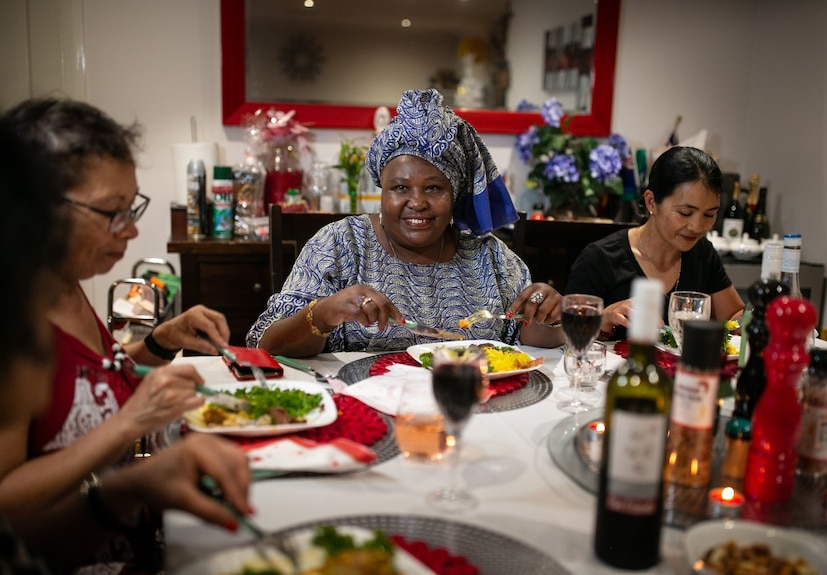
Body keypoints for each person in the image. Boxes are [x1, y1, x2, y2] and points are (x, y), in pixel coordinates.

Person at [0, 111, 251, 573]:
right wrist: (129, 425)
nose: (131, 230)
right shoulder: (13, 322)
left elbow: (92, 379)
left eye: (131, 208)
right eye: (112, 211)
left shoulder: (65, 283)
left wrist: (159, 342)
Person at [248, 89, 565, 357]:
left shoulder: (490, 256)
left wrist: (548, 317)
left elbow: (530, 342)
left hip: (472, 408)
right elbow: (264, 344)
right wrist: (325, 313)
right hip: (362, 410)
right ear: (382, 191)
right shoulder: (340, 244)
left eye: (434, 188)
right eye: (400, 188)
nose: (417, 202)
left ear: (454, 193)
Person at [566, 146, 744, 340]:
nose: (697, 226)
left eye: (709, 214)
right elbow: (568, 337)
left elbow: (734, 317)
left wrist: (755, 318)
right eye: (685, 213)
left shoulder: (702, 252)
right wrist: (603, 319)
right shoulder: (600, 258)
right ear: (651, 202)